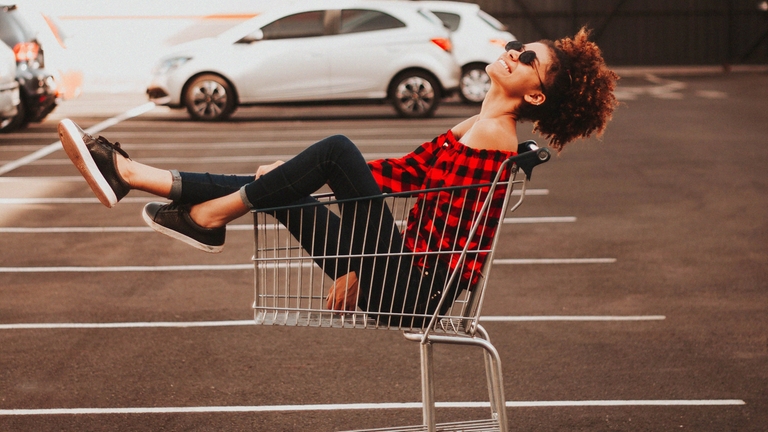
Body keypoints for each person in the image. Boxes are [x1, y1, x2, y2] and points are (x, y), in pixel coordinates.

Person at [59, 28, 618, 322]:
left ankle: (206, 213)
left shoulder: (496, 140)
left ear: (535, 93)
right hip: (399, 274)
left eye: (528, 60)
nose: (514, 54)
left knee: (334, 150)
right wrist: (294, 174)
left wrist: (362, 269)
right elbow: (404, 175)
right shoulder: (477, 122)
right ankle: (131, 174)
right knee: (285, 186)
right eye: (519, 48)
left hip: (416, 287)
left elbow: (450, 238)